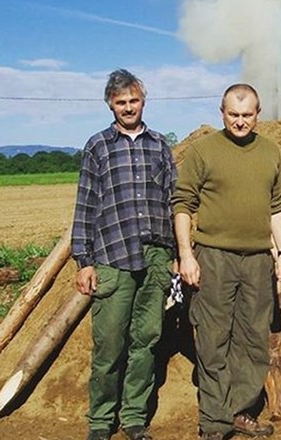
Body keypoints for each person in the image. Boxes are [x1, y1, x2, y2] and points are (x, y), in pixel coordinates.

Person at [172, 84, 281, 440]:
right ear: (222, 112)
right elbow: (182, 205)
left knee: (254, 339)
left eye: (247, 115)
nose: (240, 122)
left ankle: (240, 411)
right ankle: (214, 422)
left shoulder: (270, 151)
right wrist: (186, 255)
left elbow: (278, 206)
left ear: (258, 114)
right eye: (233, 115)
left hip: (257, 259)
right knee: (213, 339)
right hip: (214, 257)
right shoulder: (203, 150)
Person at [72, 69, 177, 440]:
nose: (128, 107)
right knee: (109, 345)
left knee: (146, 341)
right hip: (113, 257)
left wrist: (178, 252)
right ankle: (101, 421)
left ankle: (134, 418)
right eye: (121, 102)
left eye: (134, 100)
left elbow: (172, 200)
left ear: (143, 102)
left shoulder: (160, 145)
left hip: (156, 256)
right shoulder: (97, 146)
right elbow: (86, 205)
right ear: (110, 105)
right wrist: (83, 260)